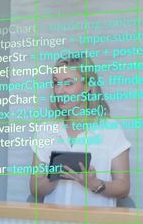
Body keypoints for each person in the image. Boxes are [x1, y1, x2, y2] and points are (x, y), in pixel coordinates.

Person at [28, 56, 131, 206]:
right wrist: (53, 176)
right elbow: (35, 190)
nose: (59, 91)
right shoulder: (46, 130)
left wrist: (94, 183)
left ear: (88, 86)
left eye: (68, 84)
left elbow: (123, 188)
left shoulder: (111, 130)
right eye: (56, 83)